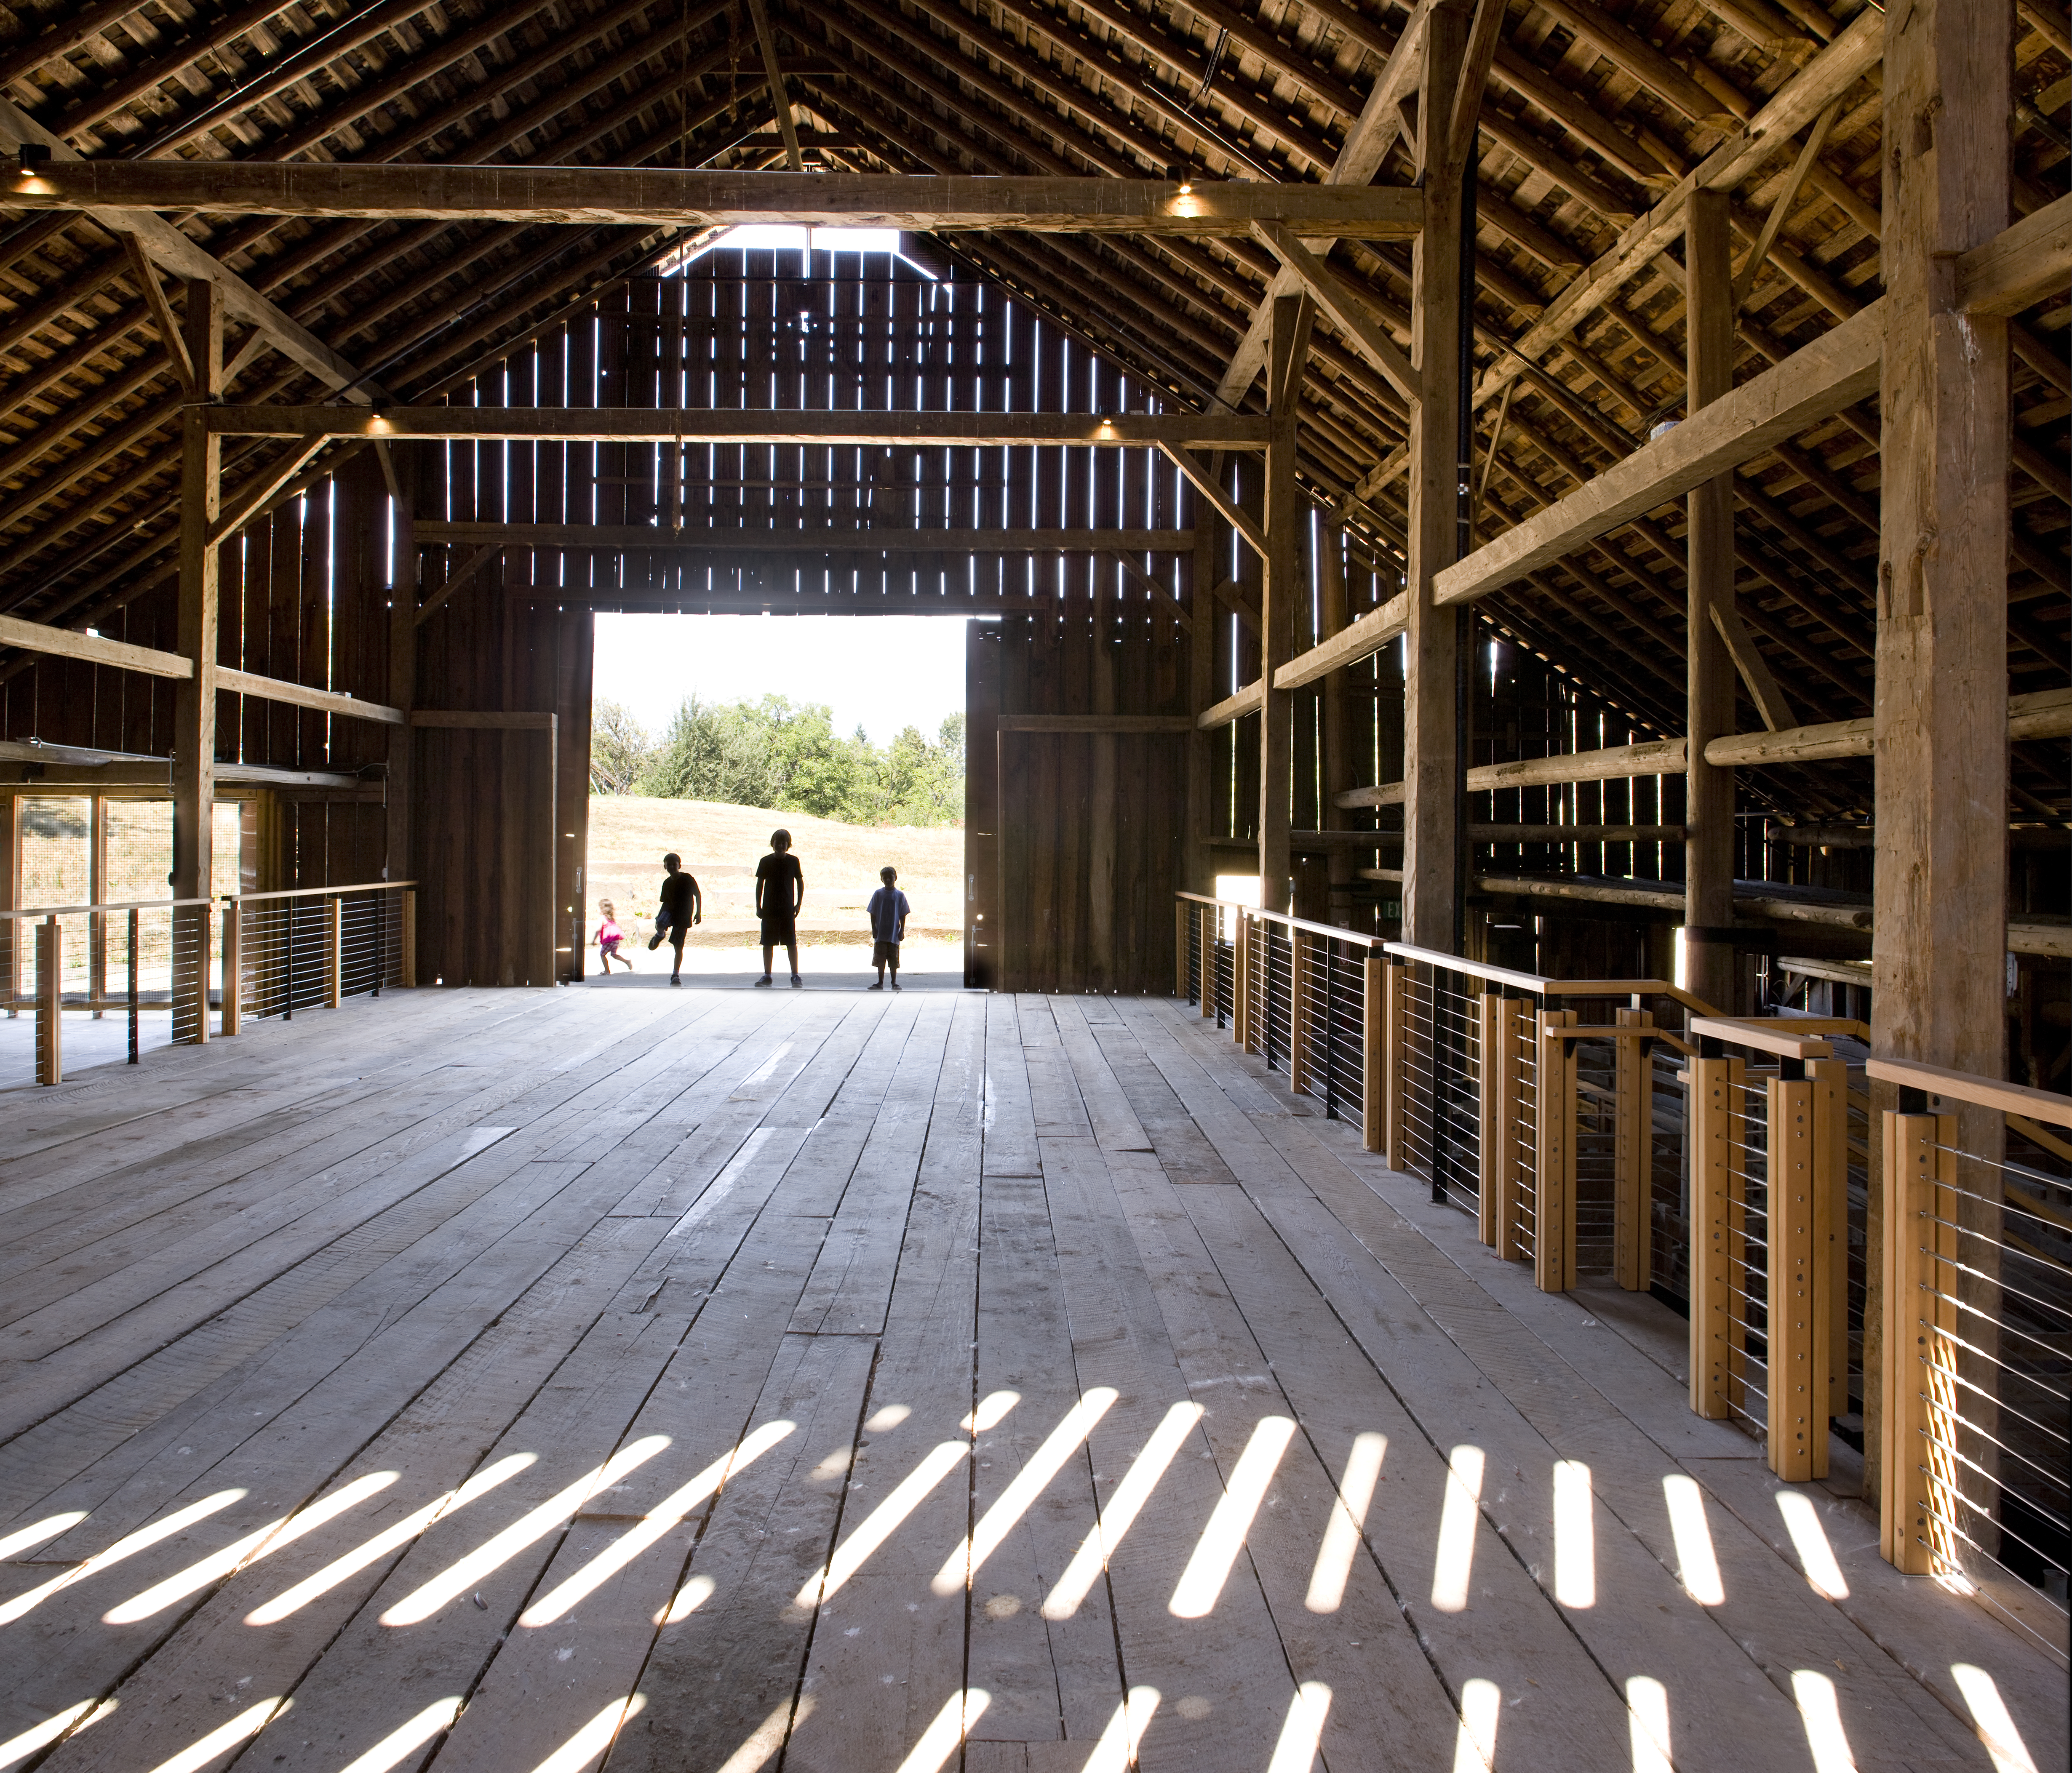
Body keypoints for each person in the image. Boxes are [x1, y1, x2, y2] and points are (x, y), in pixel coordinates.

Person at [754, 829, 804, 988]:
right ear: (772, 844)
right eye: (778, 843)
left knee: (791, 942)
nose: (781, 846)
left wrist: (798, 904)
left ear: (789, 845)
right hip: (769, 908)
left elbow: (800, 882)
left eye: (784, 843)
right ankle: (767, 975)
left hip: (787, 908)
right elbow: (760, 885)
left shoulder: (793, 861)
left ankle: (795, 975)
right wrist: (759, 906)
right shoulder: (765, 861)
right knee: (768, 942)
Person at [647, 852, 701, 986]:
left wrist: (698, 913)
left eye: (674, 865)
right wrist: (660, 917)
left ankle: (675, 975)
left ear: (679, 866)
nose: (672, 867)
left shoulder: (688, 879)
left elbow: (698, 895)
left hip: (683, 916)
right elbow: (665, 902)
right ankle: (660, 935)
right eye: (669, 865)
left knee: (678, 946)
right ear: (665, 867)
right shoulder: (667, 883)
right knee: (660, 923)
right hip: (670, 911)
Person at [865, 866, 910, 991]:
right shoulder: (878, 894)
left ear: (896, 878)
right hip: (881, 933)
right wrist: (874, 929)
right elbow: (873, 913)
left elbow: (903, 914)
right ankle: (880, 982)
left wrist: (901, 931)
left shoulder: (899, 895)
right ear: (882, 880)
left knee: (893, 960)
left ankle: (894, 982)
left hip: (894, 933)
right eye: (885, 878)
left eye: (890, 878)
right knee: (880, 960)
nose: (888, 880)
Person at [594, 899, 633, 974]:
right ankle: (627, 962)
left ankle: (607, 971)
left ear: (602, 909)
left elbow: (598, 930)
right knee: (614, 955)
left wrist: (594, 940)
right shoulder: (611, 918)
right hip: (615, 940)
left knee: (602, 955)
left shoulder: (602, 918)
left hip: (609, 940)